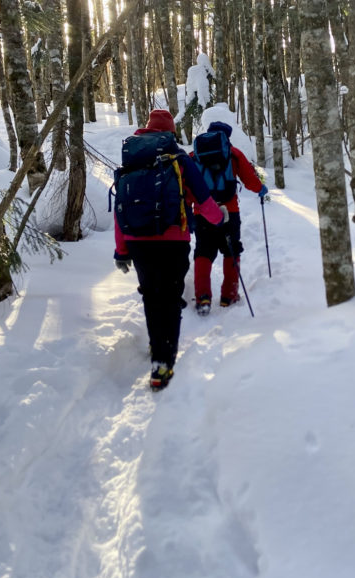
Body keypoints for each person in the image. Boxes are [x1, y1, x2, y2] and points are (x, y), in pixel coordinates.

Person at [113, 109, 225, 391]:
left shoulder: (132, 160)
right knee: (170, 297)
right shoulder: (179, 159)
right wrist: (219, 218)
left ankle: (156, 345)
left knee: (152, 296)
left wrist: (121, 249)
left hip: (138, 241)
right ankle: (164, 362)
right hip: (173, 239)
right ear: (170, 133)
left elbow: (120, 207)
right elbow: (202, 197)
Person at [191, 120, 269, 314]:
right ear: (226, 137)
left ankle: (203, 298)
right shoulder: (233, 154)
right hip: (230, 210)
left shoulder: (194, 156)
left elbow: (187, 184)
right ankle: (229, 296)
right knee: (231, 250)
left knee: (203, 252)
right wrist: (261, 189)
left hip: (203, 213)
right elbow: (250, 179)